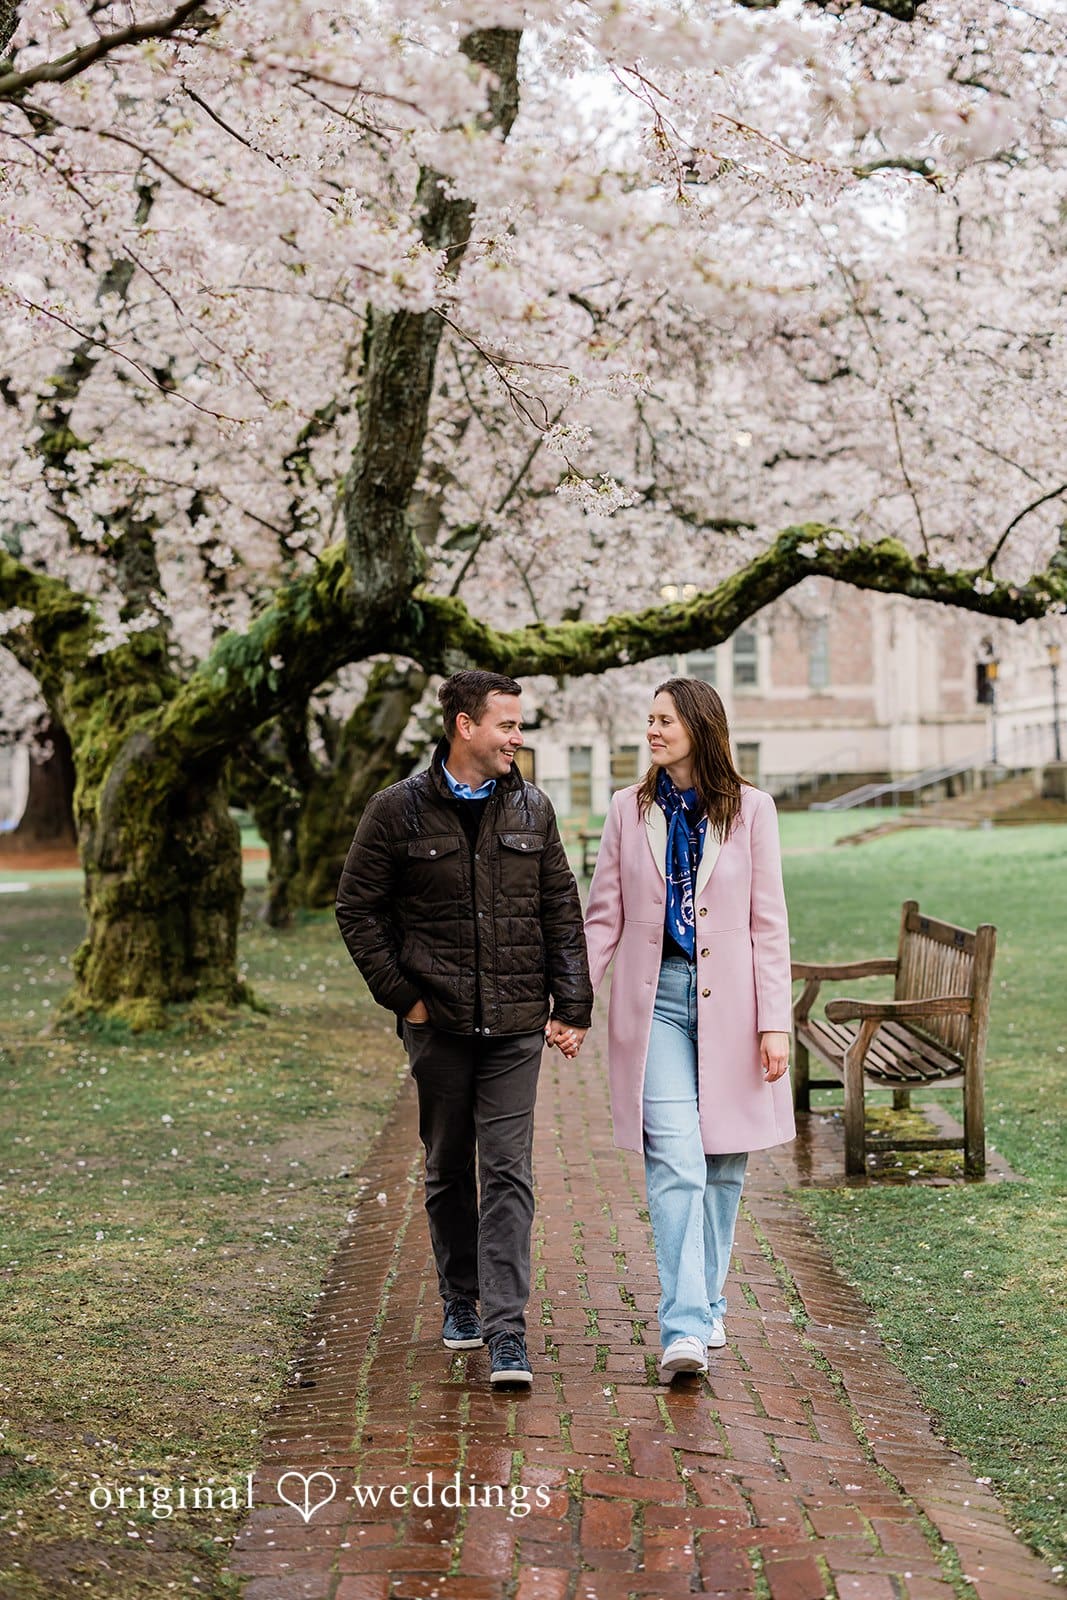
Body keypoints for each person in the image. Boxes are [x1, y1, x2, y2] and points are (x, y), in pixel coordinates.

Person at [336, 669, 592, 1388]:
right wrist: (404, 999)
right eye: (507, 725)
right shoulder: (396, 811)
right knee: (449, 1167)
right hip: (438, 1024)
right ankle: (460, 1297)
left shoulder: (533, 810)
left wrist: (571, 1006)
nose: (517, 737)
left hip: (514, 1025)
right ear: (465, 726)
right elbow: (357, 910)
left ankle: (507, 1333)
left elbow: (560, 910)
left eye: (519, 725)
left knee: (507, 1170)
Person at [583, 677, 794, 1382]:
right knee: (676, 1160)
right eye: (648, 719)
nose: (652, 730)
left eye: (664, 720)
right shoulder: (629, 809)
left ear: (700, 727)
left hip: (735, 1008)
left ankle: (707, 1301)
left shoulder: (752, 809)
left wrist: (774, 1023)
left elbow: (768, 923)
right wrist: (572, 1002)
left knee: (724, 1165)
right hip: (658, 1006)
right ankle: (684, 1329)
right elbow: (603, 917)